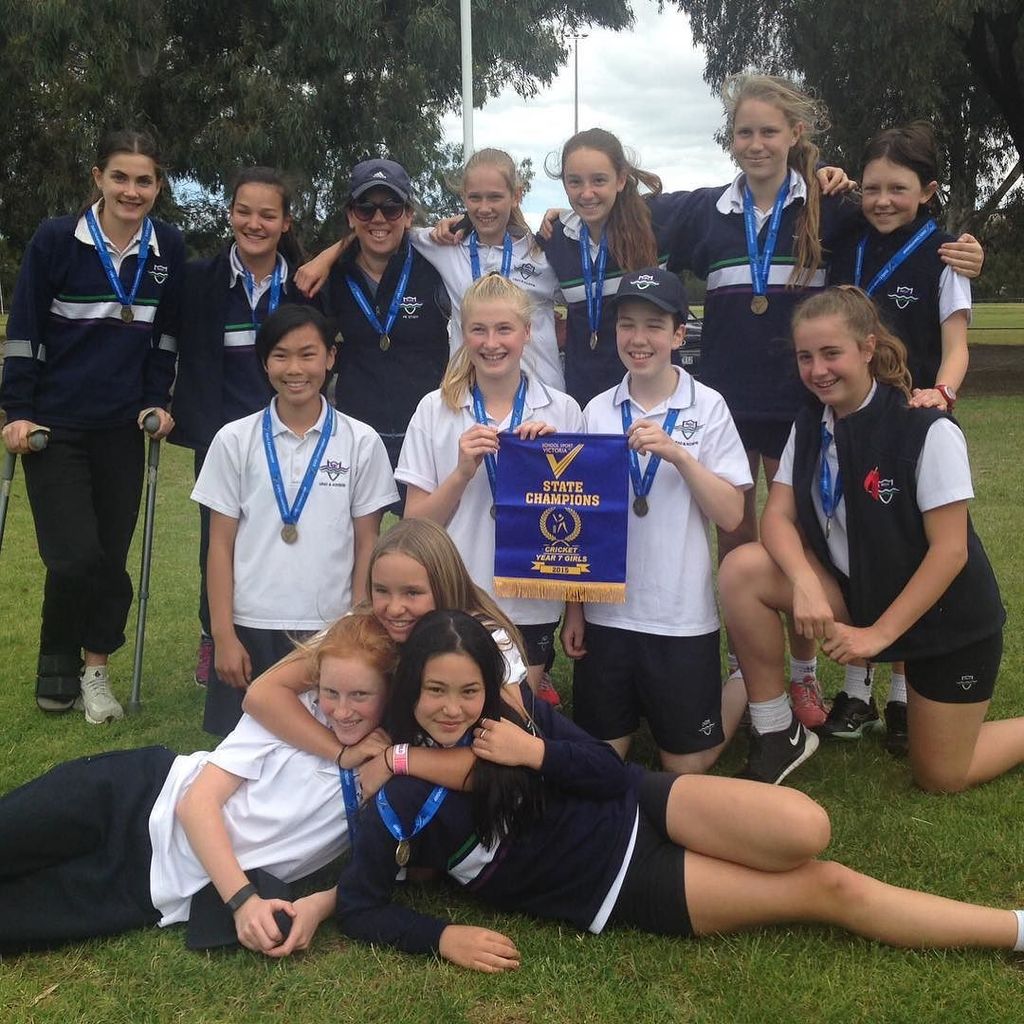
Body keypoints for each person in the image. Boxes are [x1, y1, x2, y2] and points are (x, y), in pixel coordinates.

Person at [329, 610, 1024, 970]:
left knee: (808, 828)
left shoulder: (515, 714)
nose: (452, 708)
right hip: (617, 882)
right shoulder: (396, 798)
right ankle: (1015, 929)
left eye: (468, 691)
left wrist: (533, 749)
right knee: (828, 887)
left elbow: (606, 774)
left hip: (641, 799)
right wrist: (442, 937)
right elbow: (361, 906)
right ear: (411, 689)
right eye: (435, 691)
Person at [719, 286, 1023, 792]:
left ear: (867, 348)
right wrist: (805, 583)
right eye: (806, 357)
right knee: (742, 569)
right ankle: (776, 732)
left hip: (945, 620)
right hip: (859, 597)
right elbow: (777, 517)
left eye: (831, 353)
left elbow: (950, 552)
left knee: (942, 774)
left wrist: (878, 636)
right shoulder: (810, 422)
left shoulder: (925, 427)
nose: (818, 370)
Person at [0, 613, 395, 956]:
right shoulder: (294, 714)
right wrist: (243, 900)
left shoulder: (390, 771)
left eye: (360, 695)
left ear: (390, 692)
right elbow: (195, 804)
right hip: (134, 795)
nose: (342, 710)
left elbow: (381, 869)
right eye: (330, 692)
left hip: (150, 884)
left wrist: (319, 906)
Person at [0, 129, 184, 722]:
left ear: (158, 185)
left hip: (123, 427)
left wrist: (156, 400)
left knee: (109, 555)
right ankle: (57, 652)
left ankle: (93, 670)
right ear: (97, 177)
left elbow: (165, 338)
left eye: (144, 180)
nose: (132, 190)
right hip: (55, 424)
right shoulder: (58, 239)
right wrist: (17, 410)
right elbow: (25, 329)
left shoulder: (167, 248)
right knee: (74, 556)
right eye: (120, 177)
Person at [561, 268, 751, 772]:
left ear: (678, 334)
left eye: (653, 325)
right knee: (601, 766)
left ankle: (742, 685)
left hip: (680, 617)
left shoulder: (708, 407)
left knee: (684, 771)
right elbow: (580, 522)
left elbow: (732, 513)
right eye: (627, 324)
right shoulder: (597, 411)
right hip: (608, 615)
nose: (638, 339)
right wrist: (576, 610)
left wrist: (680, 456)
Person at [826, 124, 973, 751]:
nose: (883, 201)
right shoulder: (846, 241)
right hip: (849, 417)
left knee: (907, 549)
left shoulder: (946, 255)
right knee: (852, 546)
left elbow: (957, 344)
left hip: (911, 421)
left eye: (899, 189)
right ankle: (855, 689)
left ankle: (902, 694)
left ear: (928, 191)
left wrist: (941, 394)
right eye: (872, 188)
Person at [191, 304, 397, 736]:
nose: (295, 369)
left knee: (327, 746)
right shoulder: (234, 440)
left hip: (331, 626)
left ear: (330, 357)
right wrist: (223, 634)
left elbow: (367, 543)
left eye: (308, 354)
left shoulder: (361, 441)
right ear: (265, 362)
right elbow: (220, 545)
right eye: (281, 355)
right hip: (251, 623)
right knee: (244, 751)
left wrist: (355, 624)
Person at [397, 274, 583, 699]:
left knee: (514, 715)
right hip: (457, 590)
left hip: (533, 597)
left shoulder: (562, 410)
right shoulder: (434, 410)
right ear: (463, 333)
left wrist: (550, 461)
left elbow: (580, 527)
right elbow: (413, 528)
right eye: (479, 330)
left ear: (527, 332)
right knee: (457, 710)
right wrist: (462, 473)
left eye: (504, 329)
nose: (491, 343)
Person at [169, 167, 310, 688]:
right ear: (230, 214)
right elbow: (165, 343)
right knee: (219, 539)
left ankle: (291, 633)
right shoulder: (197, 280)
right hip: (221, 436)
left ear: (285, 222)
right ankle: (215, 633)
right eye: (244, 212)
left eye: (267, 215)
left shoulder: (305, 284)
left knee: (286, 533)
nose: (255, 223)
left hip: (290, 433)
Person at [242, 516, 532, 758]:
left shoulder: (486, 637)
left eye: (412, 593)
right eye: (381, 590)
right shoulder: (364, 626)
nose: (394, 608)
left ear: (445, 585)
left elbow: (511, 743)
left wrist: (398, 761)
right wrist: (341, 753)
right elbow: (262, 693)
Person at [297, 149, 564, 393]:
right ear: (464, 198)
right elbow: (383, 230)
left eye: (495, 197)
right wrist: (325, 258)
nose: (484, 208)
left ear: (516, 196)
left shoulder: (544, 254)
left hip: (542, 397)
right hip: (471, 399)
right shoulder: (445, 246)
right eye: (475, 198)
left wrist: (564, 215)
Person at [317, 159, 450, 478]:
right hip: (356, 435)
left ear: (408, 215)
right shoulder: (330, 276)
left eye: (391, 208)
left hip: (426, 435)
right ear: (351, 215)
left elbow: (483, 230)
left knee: (423, 515)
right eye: (365, 208)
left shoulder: (436, 266)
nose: (379, 218)